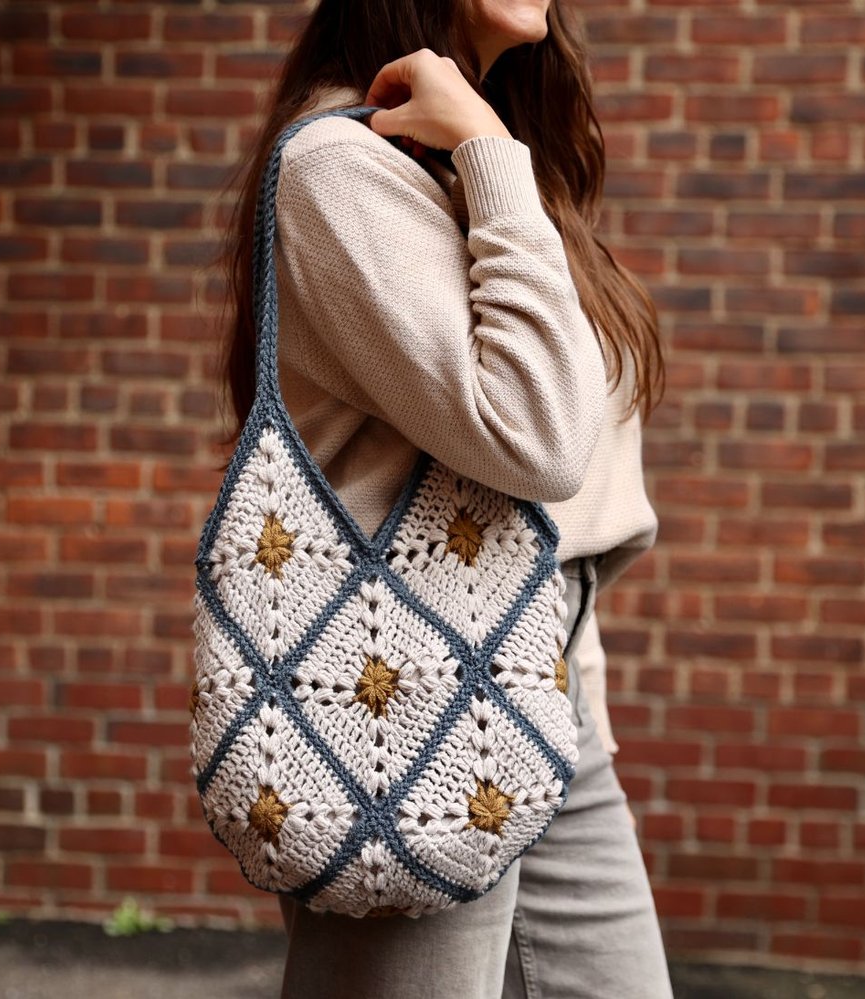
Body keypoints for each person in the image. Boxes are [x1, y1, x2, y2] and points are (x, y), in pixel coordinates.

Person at [213, 2, 672, 996]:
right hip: (400, 692)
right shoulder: (345, 167)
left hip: (543, 691)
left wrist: (579, 695)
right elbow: (538, 439)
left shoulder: (472, 163)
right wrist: (487, 147)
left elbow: (558, 497)